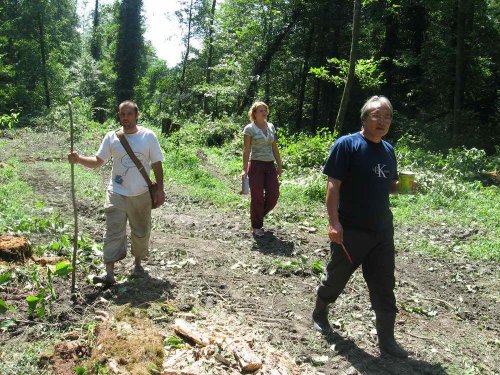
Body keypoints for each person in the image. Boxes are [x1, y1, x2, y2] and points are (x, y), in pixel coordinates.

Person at [312, 96, 409, 358]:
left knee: (384, 285)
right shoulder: (347, 145)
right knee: (336, 278)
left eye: (387, 116)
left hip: (381, 231)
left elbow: (389, 184)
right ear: (365, 117)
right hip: (351, 230)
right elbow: (333, 185)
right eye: (377, 115)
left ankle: (387, 341)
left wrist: (403, 188)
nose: (383, 121)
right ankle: (320, 311)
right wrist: (334, 223)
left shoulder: (388, 150)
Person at [68, 100, 165, 285]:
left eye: (129, 114)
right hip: (116, 192)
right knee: (113, 231)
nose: (125, 118)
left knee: (141, 231)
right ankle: (109, 273)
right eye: (122, 114)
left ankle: (137, 265)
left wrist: (160, 189)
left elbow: (157, 164)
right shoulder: (111, 137)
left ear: (137, 115)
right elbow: (98, 161)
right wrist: (78, 159)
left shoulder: (148, 137)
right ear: (119, 116)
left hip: (141, 194)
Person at [242, 102, 283, 237]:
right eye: (261, 110)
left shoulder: (270, 126)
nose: (264, 112)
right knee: (257, 196)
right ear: (254, 113)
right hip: (256, 165)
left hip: (270, 165)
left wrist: (279, 164)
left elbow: (274, 147)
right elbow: (246, 150)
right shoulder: (249, 129)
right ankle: (257, 226)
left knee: (274, 194)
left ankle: (258, 214)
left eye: (265, 110)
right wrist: (244, 169)